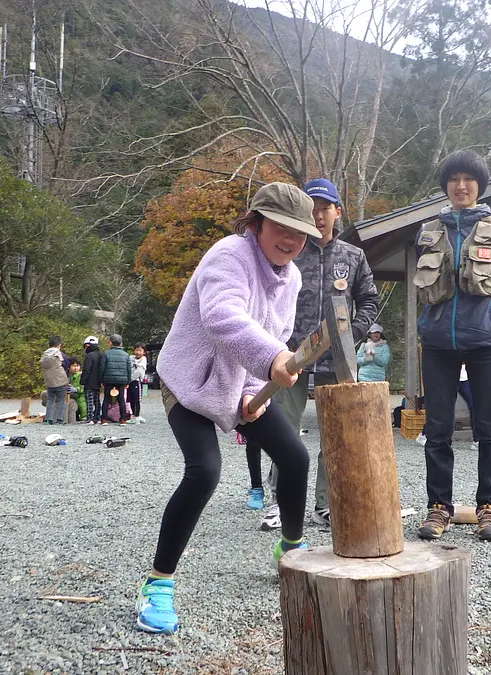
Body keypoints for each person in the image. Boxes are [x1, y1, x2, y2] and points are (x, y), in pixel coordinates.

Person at [136, 182, 319, 635]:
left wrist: (253, 387)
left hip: (241, 386)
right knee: (205, 471)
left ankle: (290, 549)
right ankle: (157, 585)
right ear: (256, 222)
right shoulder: (229, 254)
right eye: (280, 227)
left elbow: (277, 332)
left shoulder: (291, 277)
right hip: (191, 382)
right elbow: (223, 317)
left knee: (294, 456)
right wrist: (272, 360)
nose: (291, 240)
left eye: (299, 233)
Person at [250, 177, 379, 529]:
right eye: (312, 208)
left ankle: (327, 503)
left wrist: (351, 334)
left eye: (325, 208)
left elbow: (369, 299)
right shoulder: (290, 251)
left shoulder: (354, 256)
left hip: (338, 359)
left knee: (335, 432)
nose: (319, 216)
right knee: (284, 431)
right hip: (290, 356)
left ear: (338, 211)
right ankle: (282, 504)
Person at [414, 150, 491, 542]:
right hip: (439, 343)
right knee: (438, 428)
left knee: (489, 429)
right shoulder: (428, 231)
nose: (461, 186)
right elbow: (423, 289)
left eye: (468, 179)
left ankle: (489, 508)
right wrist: (429, 326)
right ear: (446, 186)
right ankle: (438, 507)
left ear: (479, 186)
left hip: (486, 344)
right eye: (454, 179)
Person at [415, 363, 478, 451]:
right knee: (442, 407)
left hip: (465, 376)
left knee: (474, 405)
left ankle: (477, 439)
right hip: (448, 374)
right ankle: (424, 434)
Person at [100, 334, 131, 425]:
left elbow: (102, 368)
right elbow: (129, 369)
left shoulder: (106, 353)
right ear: (121, 343)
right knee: (121, 399)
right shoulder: (126, 355)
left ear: (110, 343)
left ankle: (104, 419)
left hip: (108, 379)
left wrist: (101, 380)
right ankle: (123, 419)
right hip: (121, 380)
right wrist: (127, 381)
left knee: (106, 398)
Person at [40, 335, 68, 425]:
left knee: (50, 400)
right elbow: (66, 364)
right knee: (61, 400)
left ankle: (48, 419)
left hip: (49, 381)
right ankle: (59, 419)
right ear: (59, 345)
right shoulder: (59, 354)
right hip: (60, 380)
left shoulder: (44, 355)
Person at [81, 336, 102, 425]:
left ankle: (89, 418)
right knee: (97, 400)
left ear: (88, 345)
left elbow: (86, 370)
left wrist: (82, 381)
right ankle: (97, 417)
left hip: (89, 381)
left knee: (89, 400)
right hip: (98, 381)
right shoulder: (101, 355)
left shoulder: (89, 356)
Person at [128, 343, 148, 423]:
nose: (138, 352)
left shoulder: (143, 359)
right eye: (136, 350)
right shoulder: (131, 358)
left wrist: (131, 379)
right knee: (130, 399)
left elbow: (139, 372)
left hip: (137, 381)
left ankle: (137, 415)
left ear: (144, 352)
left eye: (140, 351)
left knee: (137, 399)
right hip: (129, 381)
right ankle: (133, 414)